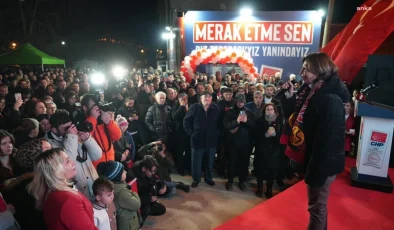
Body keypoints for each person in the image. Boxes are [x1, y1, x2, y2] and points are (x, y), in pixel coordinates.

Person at [281, 52, 350, 230]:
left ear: (320, 69)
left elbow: (328, 142)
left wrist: (315, 173)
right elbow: (295, 119)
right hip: (315, 160)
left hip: (322, 164)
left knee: (316, 208)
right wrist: (290, 97)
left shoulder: (330, 99)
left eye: (306, 68)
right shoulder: (310, 91)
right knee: (317, 207)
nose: (301, 72)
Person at [27, 148, 97, 229]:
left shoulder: (51, 194)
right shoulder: (68, 199)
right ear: (55, 170)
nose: (73, 163)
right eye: (67, 161)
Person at [45, 109, 102, 201]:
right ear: (54, 129)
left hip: (94, 188)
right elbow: (67, 163)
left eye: (71, 126)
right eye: (66, 128)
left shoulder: (76, 136)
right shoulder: (49, 146)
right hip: (78, 194)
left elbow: (97, 156)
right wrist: (71, 137)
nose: (71, 130)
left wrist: (87, 139)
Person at [183, 91, 220, 188]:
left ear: (211, 99)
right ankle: (196, 179)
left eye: (209, 97)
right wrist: (192, 133)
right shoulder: (194, 107)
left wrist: (216, 134)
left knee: (209, 161)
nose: (207, 99)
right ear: (201, 99)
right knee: (196, 162)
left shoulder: (215, 108)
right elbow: (186, 122)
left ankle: (208, 178)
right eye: (205, 97)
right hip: (197, 140)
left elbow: (219, 123)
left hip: (211, 140)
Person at [97, 161, 141, 230]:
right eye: (123, 171)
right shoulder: (121, 192)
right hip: (128, 226)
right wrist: (133, 193)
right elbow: (136, 204)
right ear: (117, 176)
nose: (126, 172)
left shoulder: (116, 185)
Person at [80, 94, 122, 167]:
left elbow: (117, 136)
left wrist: (109, 122)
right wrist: (92, 119)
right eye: (93, 105)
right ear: (85, 108)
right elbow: (85, 138)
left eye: (98, 104)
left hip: (111, 163)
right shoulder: (82, 123)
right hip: (96, 167)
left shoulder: (102, 119)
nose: (97, 108)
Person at [131, 155, 166, 223]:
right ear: (144, 169)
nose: (153, 173)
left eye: (154, 171)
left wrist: (163, 186)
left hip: (147, 194)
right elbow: (133, 200)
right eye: (151, 171)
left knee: (162, 209)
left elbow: (157, 177)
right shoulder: (133, 177)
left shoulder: (149, 168)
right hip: (139, 200)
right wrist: (149, 199)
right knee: (146, 209)